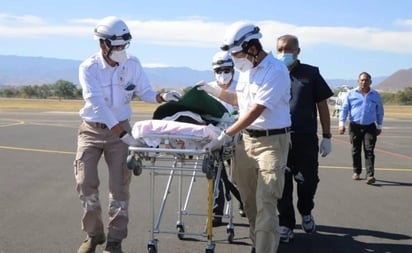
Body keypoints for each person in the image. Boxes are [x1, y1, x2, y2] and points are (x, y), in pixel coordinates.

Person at [73, 16, 180, 253]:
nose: (122, 51)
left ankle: (114, 241)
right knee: (85, 182)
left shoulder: (133, 64)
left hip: (120, 130)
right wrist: (123, 134)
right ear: (103, 44)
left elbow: (145, 92)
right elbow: (97, 105)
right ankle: (94, 234)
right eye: (117, 46)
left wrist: (162, 97)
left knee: (119, 188)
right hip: (92, 130)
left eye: (124, 46)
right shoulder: (88, 68)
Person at [198, 21, 291, 253]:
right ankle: (257, 243)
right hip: (246, 142)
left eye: (237, 53)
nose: (235, 59)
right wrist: (213, 92)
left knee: (266, 202)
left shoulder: (275, 71)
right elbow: (242, 102)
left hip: (272, 143)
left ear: (252, 46)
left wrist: (225, 134)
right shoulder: (246, 71)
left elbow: (256, 110)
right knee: (249, 203)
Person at [276, 34, 333, 243]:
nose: (283, 54)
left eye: (288, 50)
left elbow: (322, 106)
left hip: (305, 138)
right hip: (279, 137)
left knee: (308, 181)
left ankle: (305, 210)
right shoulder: (273, 73)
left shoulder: (311, 73)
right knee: (282, 184)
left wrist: (327, 136)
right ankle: (286, 223)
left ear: (297, 51)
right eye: (280, 49)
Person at [207, 51, 245, 227]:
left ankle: (245, 202)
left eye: (227, 69)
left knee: (240, 176)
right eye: (219, 69)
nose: (223, 73)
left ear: (233, 69)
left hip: (239, 137)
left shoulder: (242, 87)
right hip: (216, 138)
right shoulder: (207, 89)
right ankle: (217, 212)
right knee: (216, 175)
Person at [338, 72, 384, 184]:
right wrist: (341, 124)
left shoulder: (375, 95)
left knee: (369, 150)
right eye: (362, 80)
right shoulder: (351, 94)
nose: (364, 82)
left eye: (366, 80)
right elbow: (344, 109)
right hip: (355, 126)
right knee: (355, 150)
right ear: (358, 81)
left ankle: (370, 175)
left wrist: (379, 126)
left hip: (370, 127)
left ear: (370, 82)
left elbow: (380, 111)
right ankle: (357, 172)